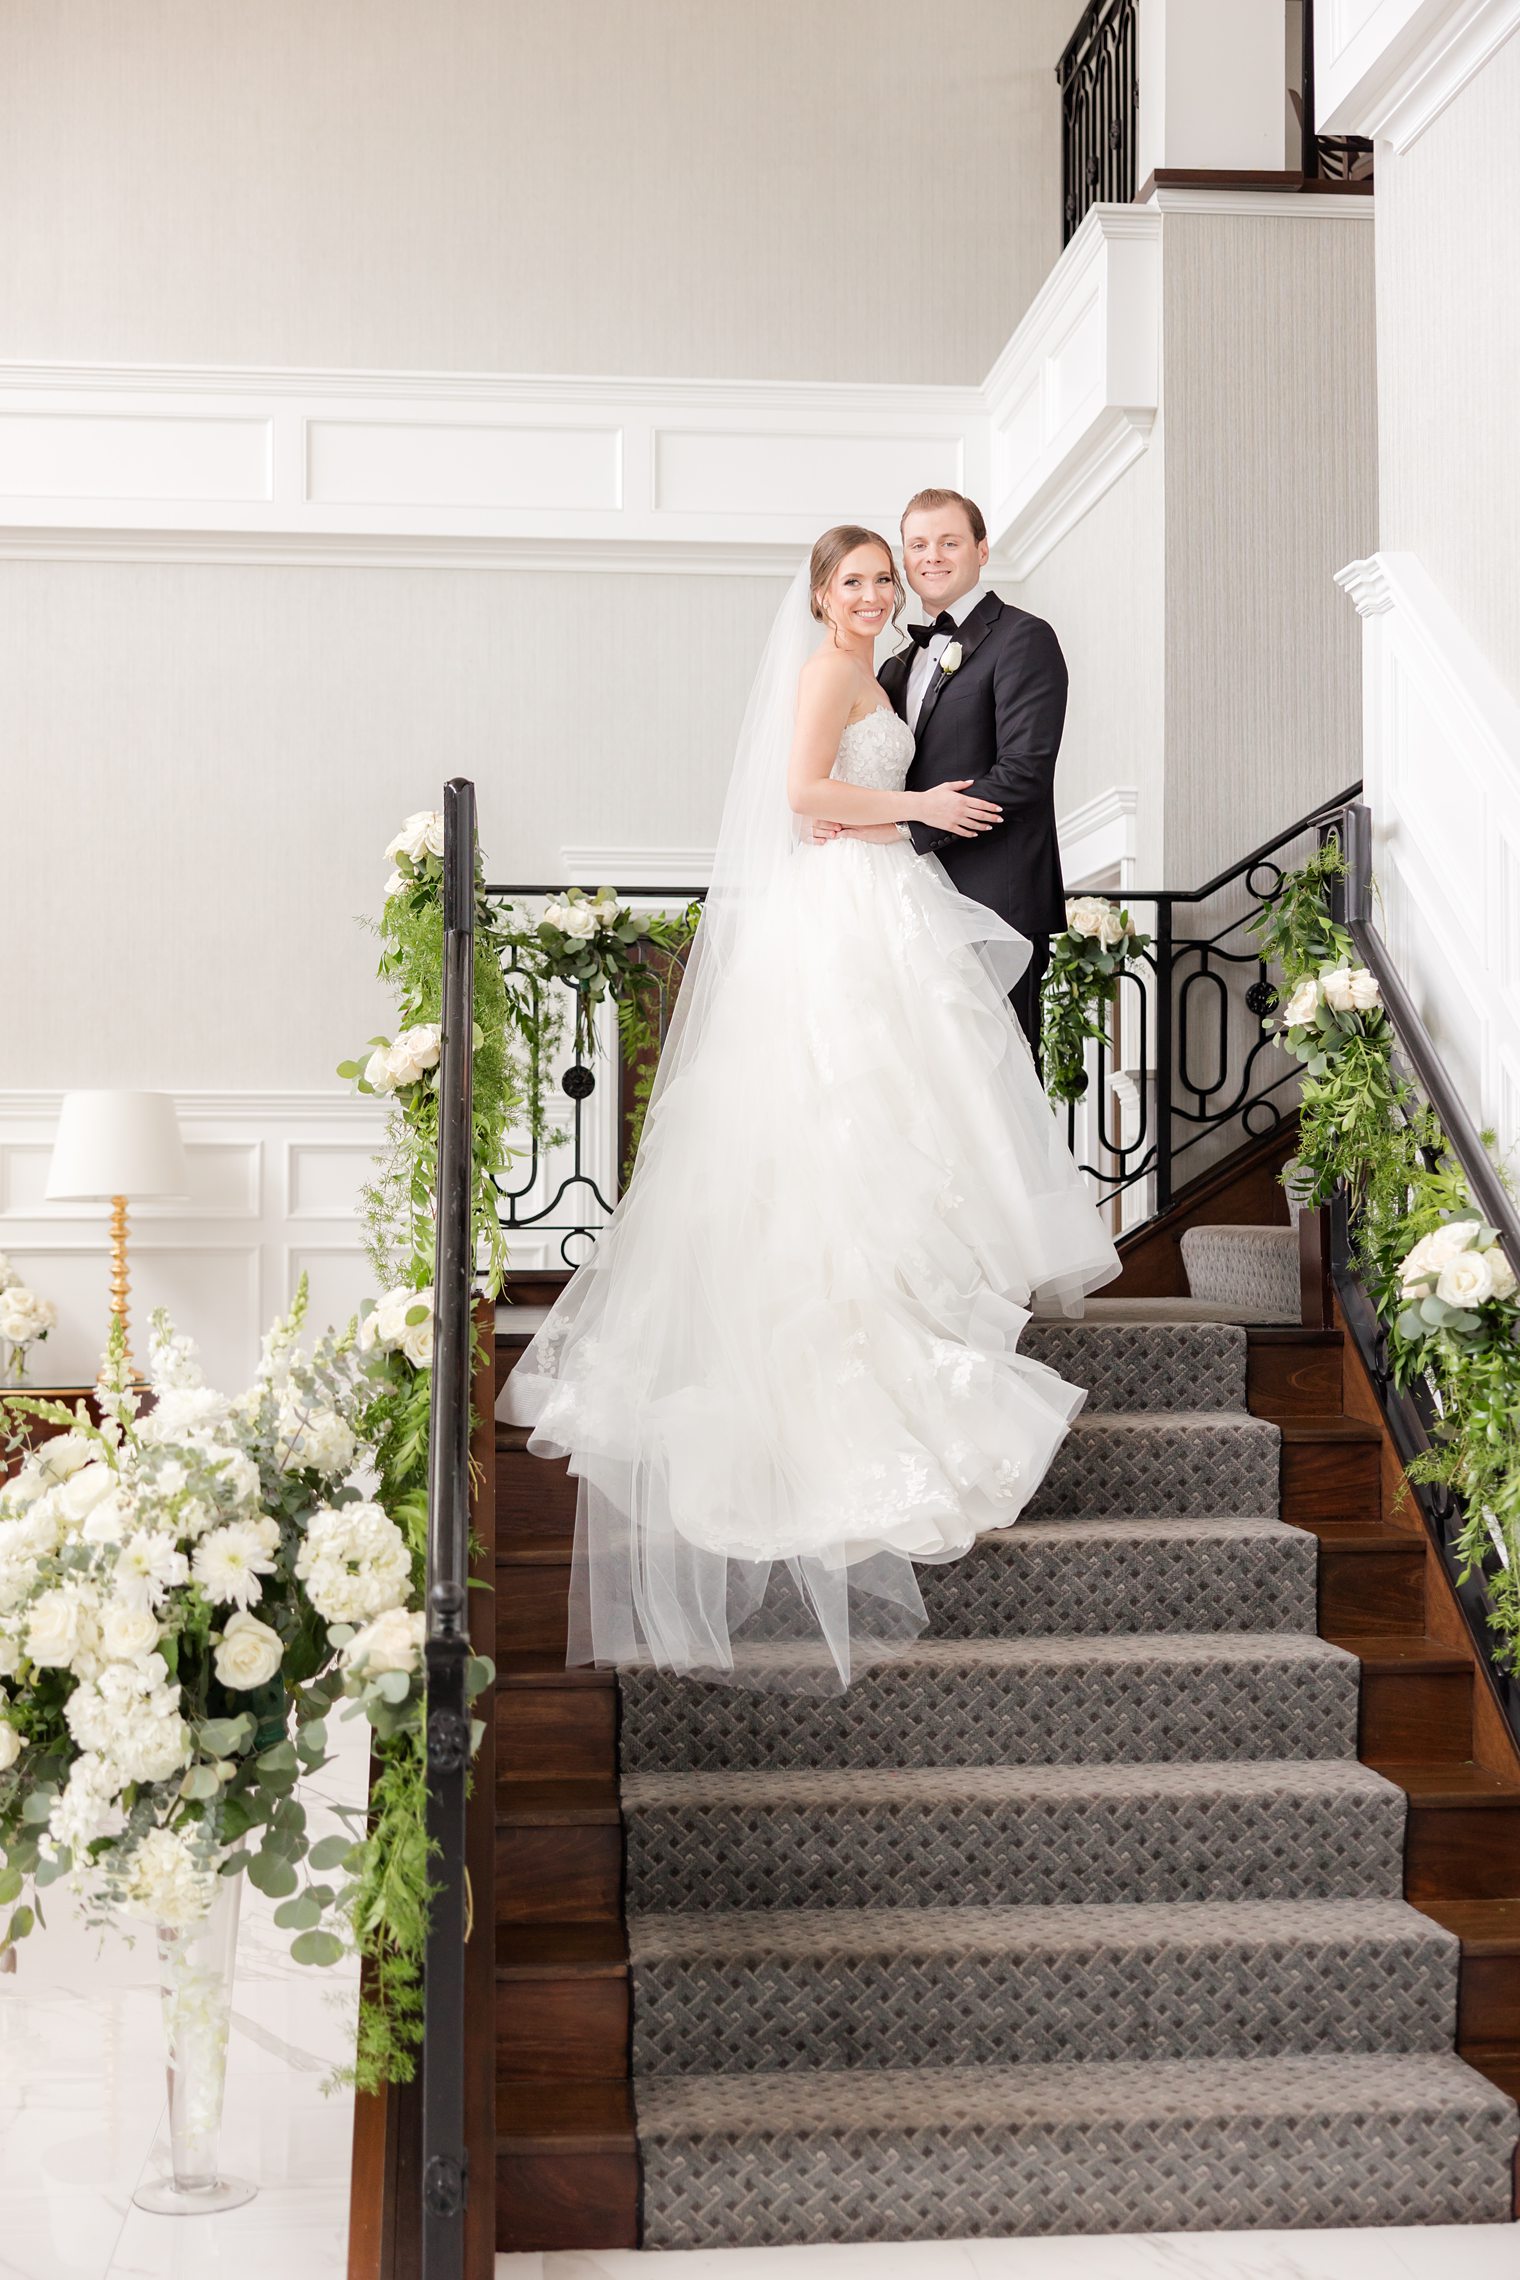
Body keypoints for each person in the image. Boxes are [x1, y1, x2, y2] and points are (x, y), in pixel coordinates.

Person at [502, 526, 1120, 1688]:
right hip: (850, 906)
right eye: (858, 579)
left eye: (888, 576)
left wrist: (876, 812)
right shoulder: (835, 669)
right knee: (849, 1097)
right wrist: (918, 806)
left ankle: (908, 1293)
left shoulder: (885, 673)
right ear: (821, 596)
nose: (877, 591)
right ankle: (854, 1336)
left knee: (908, 1106)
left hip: (879, 891)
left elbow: (829, 795)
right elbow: (799, 791)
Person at [873, 487, 1068, 1067]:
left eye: (949, 541)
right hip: (911, 904)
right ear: (904, 560)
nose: (932, 555)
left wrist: (915, 827)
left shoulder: (1023, 637)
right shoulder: (893, 666)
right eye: (918, 544)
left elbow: (1023, 772)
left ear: (981, 550)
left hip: (995, 902)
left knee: (998, 1081)